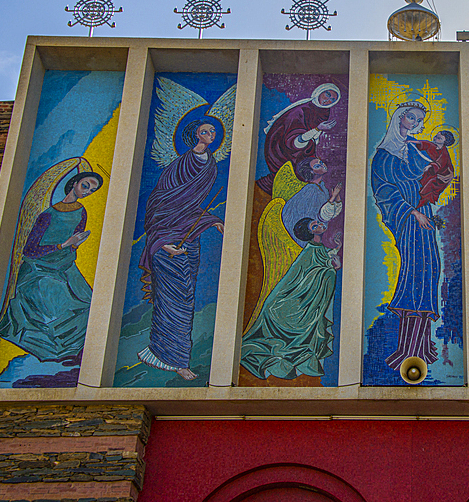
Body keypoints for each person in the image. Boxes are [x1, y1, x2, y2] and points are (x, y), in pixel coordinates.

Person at [137, 120, 225, 380]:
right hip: (166, 242)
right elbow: (159, 203)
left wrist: (212, 220)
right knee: (171, 301)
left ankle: (171, 356)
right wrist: (162, 242)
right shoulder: (179, 165)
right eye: (204, 131)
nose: (210, 135)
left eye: (213, 132)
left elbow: (191, 206)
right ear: (194, 135)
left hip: (189, 238)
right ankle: (172, 359)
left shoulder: (210, 165)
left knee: (186, 299)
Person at [371, 103, 452, 371]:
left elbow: (433, 175)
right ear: (399, 117)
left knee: (430, 270)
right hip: (408, 217)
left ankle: (422, 344)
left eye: (419, 120)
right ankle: (407, 347)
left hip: (424, 213)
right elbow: (383, 191)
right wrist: (412, 212)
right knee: (415, 272)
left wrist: (443, 177)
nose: (415, 122)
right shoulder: (384, 154)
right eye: (411, 117)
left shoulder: (416, 148)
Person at [0, 171, 103, 361]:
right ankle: (55, 349)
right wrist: (63, 245)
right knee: (58, 302)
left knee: (88, 302)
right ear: (74, 183)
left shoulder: (81, 212)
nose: (87, 192)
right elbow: (30, 250)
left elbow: (72, 243)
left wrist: (76, 243)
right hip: (38, 268)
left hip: (64, 265)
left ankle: (79, 350)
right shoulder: (48, 215)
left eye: (92, 191)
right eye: (85, 186)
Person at [241, 217, 341, 380]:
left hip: (305, 300)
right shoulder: (309, 251)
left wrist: (334, 255)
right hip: (293, 303)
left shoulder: (319, 248)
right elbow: (299, 278)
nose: (320, 225)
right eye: (315, 226)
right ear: (311, 232)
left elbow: (323, 263)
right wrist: (331, 269)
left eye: (317, 223)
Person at [257, 83, 340, 194]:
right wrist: (317, 129)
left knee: (308, 167)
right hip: (282, 147)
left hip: (302, 146)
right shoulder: (301, 111)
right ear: (319, 92)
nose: (328, 100)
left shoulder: (324, 112)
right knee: (298, 171)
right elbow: (294, 142)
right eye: (327, 94)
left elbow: (312, 137)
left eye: (332, 100)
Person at [281, 157, 343, 246]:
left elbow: (329, 213)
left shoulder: (321, 186)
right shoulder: (312, 191)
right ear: (311, 172)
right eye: (317, 166)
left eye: (321, 162)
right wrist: (333, 196)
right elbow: (322, 217)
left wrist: (336, 198)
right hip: (306, 236)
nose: (323, 165)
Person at [411, 130, 456, 209]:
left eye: (439, 138)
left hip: (442, 177)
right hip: (433, 173)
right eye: (436, 136)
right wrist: (409, 141)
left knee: (429, 187)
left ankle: (420, 204)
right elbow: (423, 143)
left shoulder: (444, 153)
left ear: (444, 142)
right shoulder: (432, 145)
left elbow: (441, 164)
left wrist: (430, 166)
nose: (435, 138)